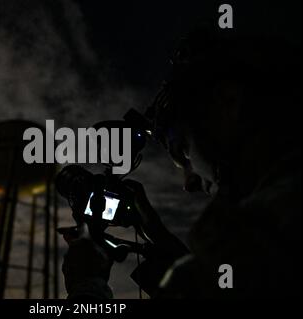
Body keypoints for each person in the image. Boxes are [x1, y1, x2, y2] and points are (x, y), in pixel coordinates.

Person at [61, 30, 301, 299]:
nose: (188, 183)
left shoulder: (262, 236)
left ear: (228, 103)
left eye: (183, 153)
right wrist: (157, 235)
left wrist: (87, 283)